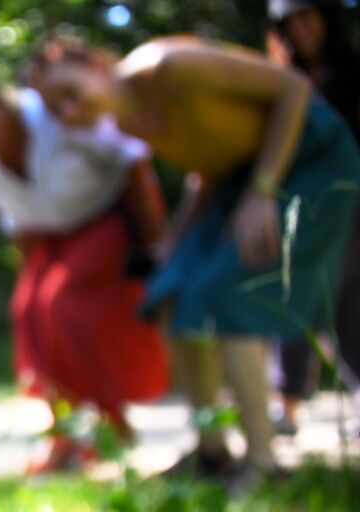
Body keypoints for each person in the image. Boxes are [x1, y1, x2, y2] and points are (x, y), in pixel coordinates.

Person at [30, 35, 360, 477]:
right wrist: (174, 242)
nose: (71, 112)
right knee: (168, 290)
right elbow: (207, 166)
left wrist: (263, 190)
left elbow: (293, 88)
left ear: (95, 63)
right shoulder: (127, 125)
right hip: (238, 180)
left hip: (305, 155)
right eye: (57, 111)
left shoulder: (168, 67)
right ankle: (212, 451)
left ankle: (263, 462)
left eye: (70, 93)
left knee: (227, 291)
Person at [0, 70, 170, 471]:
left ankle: (112, 427)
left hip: (107, 218)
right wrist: (31, 286)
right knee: (28, 311)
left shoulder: (51, 114)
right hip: (48, 238)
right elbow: (17, 225)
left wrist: (153, 234)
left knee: (64, 304)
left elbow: (130, 154)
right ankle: (63, 431)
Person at [267, 0, 360, 434]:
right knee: (292, 294)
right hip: (299, 208)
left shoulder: (352, 73)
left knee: (348, 299)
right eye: (291, 23)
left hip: (351, 202)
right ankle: (286, 402)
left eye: (307, 17)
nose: (301, 29)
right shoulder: (282, 81)